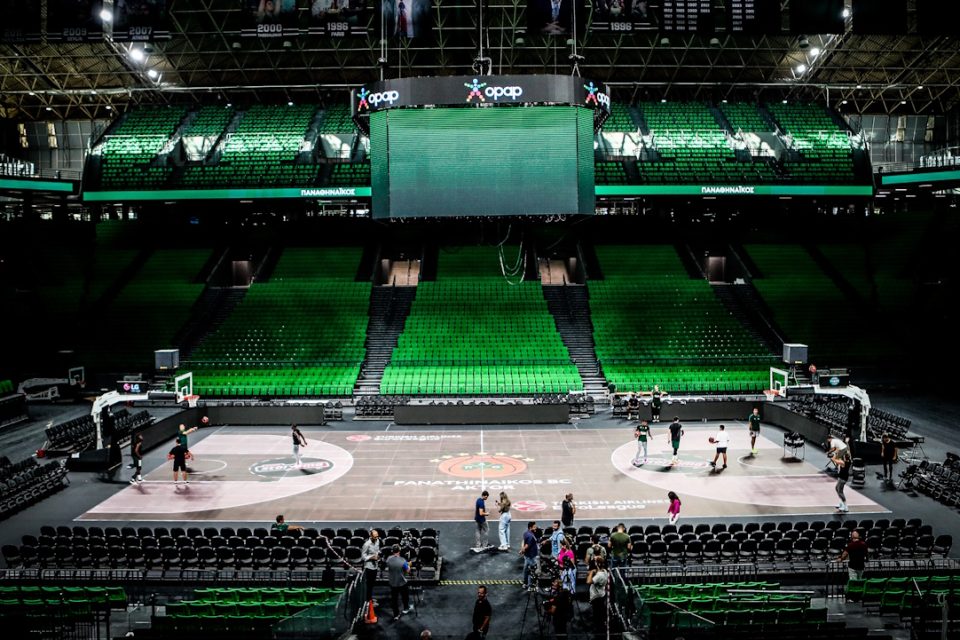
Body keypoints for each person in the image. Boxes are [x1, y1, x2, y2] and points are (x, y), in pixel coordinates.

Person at [386, 544, 414, 620]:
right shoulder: (402, 561)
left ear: (392, 551)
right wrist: (409, 565)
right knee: (405, 597)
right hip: (402, 582)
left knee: (394, 599)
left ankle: (396, 615)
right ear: (399, 551)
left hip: (392, 582)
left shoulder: (388, 559)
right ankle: (405, 609)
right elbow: (408, 570)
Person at [586, 555, 608, 632]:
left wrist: (591, 572)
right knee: (600, 613)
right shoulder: (605, 571)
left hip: (597, 597)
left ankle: (598, 632)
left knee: (597, 615)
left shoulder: (599, 576)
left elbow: (588, 581)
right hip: (601, 594)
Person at [361, 529, 381, 604]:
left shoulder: (378, 541)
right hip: (368, 567)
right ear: (371, 536)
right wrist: (371, 557)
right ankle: (368, 601)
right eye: (375, 537)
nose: (376, 538)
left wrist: (378, 555)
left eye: (377, 536)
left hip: (375, 566)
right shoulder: (366, 544)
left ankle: (370, 599)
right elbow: (363, 557)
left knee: (372, 584)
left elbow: (377, 550)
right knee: (369, 585)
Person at [520, 521, 539, 591]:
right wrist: (522, 550)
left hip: (527, 556)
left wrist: (522, 549)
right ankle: (531, 585)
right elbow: (527, 545)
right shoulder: (531, 536)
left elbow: (523, 541)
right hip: (531, 556)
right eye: (534, 527)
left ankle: (525, 583)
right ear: (530, 527)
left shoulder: (526, 533)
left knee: (525, 570)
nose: (536, 527)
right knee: (532, 570)